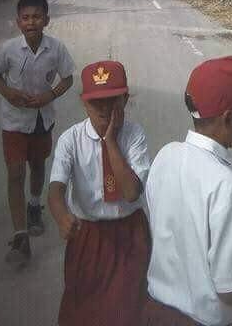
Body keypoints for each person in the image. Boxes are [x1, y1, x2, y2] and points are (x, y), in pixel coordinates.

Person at [144, 55, 232, 326]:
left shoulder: (166, 155)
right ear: (229, 118)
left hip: (155, 311)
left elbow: (182, 222)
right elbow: (231, 291)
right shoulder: (226, 183)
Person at [49, 60, 151, 326]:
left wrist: (110, 141)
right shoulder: (70, 139)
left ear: (125, 99)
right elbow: (56, 189)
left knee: (127, 309)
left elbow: (130, 193)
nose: (105, 109)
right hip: (89, 235)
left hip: (129, 232)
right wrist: (61, 216)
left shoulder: (134, 135)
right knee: (83, 306)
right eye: (97, 102)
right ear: (84, 102)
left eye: (112, 100)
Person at [0, 0, 74, 268]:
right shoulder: (10, 50)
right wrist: (8, 93)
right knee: (15, 173)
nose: (31, 22)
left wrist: (50, 95)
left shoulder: (56, 49)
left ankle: (34, 205)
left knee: (38, 166)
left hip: (41, 120)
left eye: (36, 17)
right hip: (14, 121)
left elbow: (68, 78)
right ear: (17, 22)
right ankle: (20, 235)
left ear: (46, 20)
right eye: (25, 18)